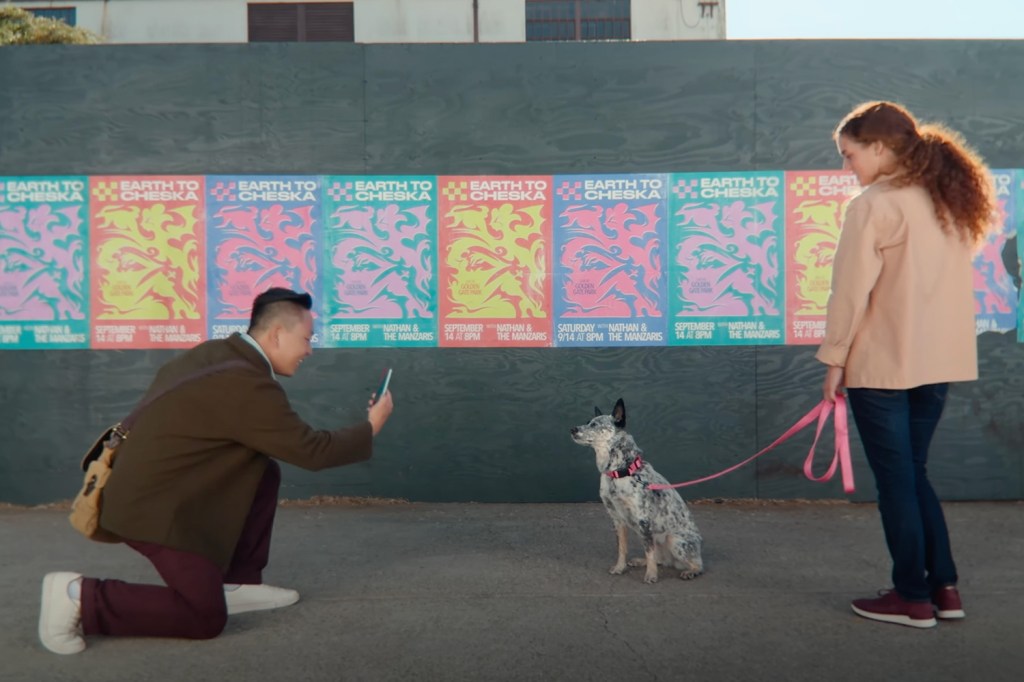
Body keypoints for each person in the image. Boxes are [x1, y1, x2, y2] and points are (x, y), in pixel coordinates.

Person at [39, 287, 394, 654]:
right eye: (306, 339)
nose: (309, 350)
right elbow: (313, 451)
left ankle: (237, 585)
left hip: (156, 491)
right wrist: (372, 426)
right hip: (156, 510)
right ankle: (78, 596)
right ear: (277, 334)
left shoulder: (216, 354)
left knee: (261, 469)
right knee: (203, 618)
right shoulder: (247, 385)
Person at [817, 101, 996, 629]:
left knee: (896, 481)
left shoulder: (873, 205)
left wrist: (833, 362)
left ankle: (911, 596)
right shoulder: (949, 201)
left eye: (849, 155)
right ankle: (943, 588)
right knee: (913, 473)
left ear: (877, 147)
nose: (846, 167)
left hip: (882, 365)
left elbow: (848, 295)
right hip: (936, 365)